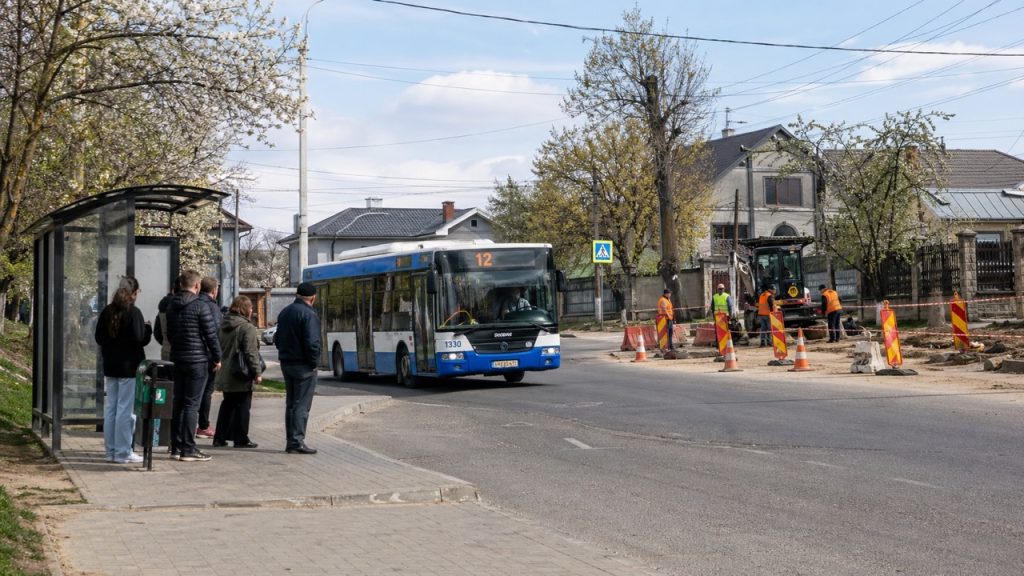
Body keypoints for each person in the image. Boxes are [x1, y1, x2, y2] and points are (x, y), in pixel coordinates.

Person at [94, 277, 152, 464]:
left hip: (111, 366)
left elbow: (99, 338)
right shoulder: (133, 312)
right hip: (129, 368)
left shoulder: (107, 311)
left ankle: (110, 450)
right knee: (125, 410)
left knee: (111, 408)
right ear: (134, 292)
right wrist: (148, 329)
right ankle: (123, 451)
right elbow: (139, 339)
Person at [166, 269, 222, 462]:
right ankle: (188, 448)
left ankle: (176, 446)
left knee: (178, 403)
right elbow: (211, 335)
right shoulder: (200, 306)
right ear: (197, 285)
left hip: (178, 358)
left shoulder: (171, 306)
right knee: (191, 404)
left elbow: (170, 334)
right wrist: (217, 358)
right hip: (197, 361)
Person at [276, 282, 321, 455]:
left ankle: (291, 440)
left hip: (286, 362)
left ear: (297, 295)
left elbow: (278, 338)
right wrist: (314, 362)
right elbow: (312, 343)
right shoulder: (309, 314)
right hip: (303, 365)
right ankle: (296, 441)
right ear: (313, 298)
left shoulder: (285, 312)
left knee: (291, 404)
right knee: (301, 405)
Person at [212, 296, 261, 449]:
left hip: (225, 371)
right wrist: (257, 372)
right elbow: (251, 352)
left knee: (227, 405)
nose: (252, 310)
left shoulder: (223, 324)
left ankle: (219, 438)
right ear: (245, 309)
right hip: (241, 373)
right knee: (243, 406)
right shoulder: (247, 327)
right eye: (250, 307)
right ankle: (241, 439)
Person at [196, 276, 223, 439]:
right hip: (207, 356)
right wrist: (217, 357)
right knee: (206, 391)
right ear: (214, 290)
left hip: (193, 354)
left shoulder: (194, 303)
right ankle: (203, 425)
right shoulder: (212, 307)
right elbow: (215, 334)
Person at [153, 275, 181, 361]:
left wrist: (165, 343)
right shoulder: (185, 306)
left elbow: (157, 331)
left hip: (166, 351)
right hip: (184, 354)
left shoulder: (163, 306)